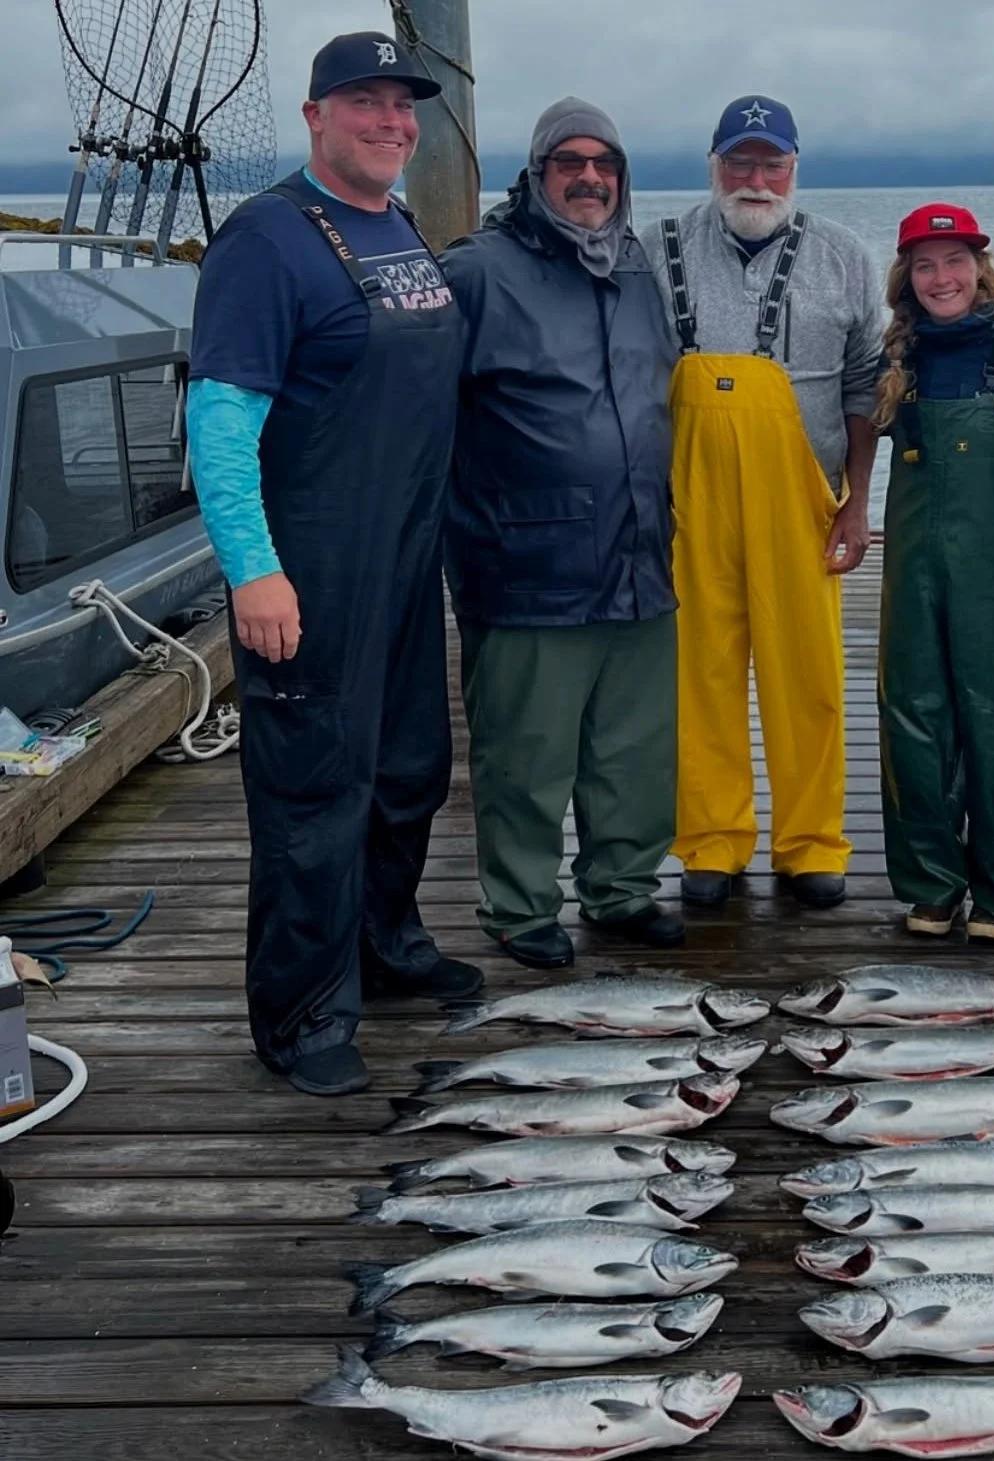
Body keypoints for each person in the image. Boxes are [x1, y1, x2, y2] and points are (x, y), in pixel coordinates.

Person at [186, 33, 482, 1097]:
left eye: (402, 106)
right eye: (364, 102)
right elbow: (219, 423)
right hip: (309, 567)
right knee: (315, 790)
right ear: (316, 116)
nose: (390, 121)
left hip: (404, 555)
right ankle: (301, 1013)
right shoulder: (267, 241)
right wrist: (253, 571)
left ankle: (385, 948)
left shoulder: (394, 223)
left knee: (406, 767)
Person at [442, 98, 683, 972]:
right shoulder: (477, 269)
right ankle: (518, 905)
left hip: (640, 554)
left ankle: (621, 889)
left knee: (634, 749)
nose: (590, 177)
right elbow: (424, 416)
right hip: (525, 562)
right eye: (569, 162)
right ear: (537, 173)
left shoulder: (638, 270)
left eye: (605, 164)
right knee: (527, 755)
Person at [639, 96, 883, 912]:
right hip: (690, 495)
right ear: (712, 166)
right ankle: (711, 840)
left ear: (794, 168)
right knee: (698, 673)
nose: (755, 178)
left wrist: (856, 501)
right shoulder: (656, 246)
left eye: (770, 162)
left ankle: (811, 842)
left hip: (803, 497)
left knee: (807, 676)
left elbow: (864, 385)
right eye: (738, 162)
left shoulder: (845, 256)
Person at [872, 204, 994, 942]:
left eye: (955, 260)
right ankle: (931, 884)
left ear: (983, 268)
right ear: (906, 279)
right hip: (912, 564)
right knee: (911, 715)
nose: (941, 277)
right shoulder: (896, 359)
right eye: (924, 264)